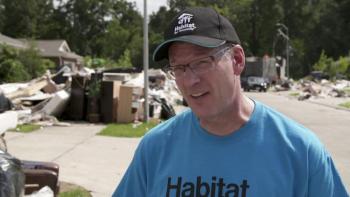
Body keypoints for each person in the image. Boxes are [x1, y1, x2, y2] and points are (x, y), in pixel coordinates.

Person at [112, 7, 349, 197]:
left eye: (202, 62)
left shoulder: (300, 151)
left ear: (237, 60)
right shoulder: (155, 148)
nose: (190, 80)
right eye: (179, 68)